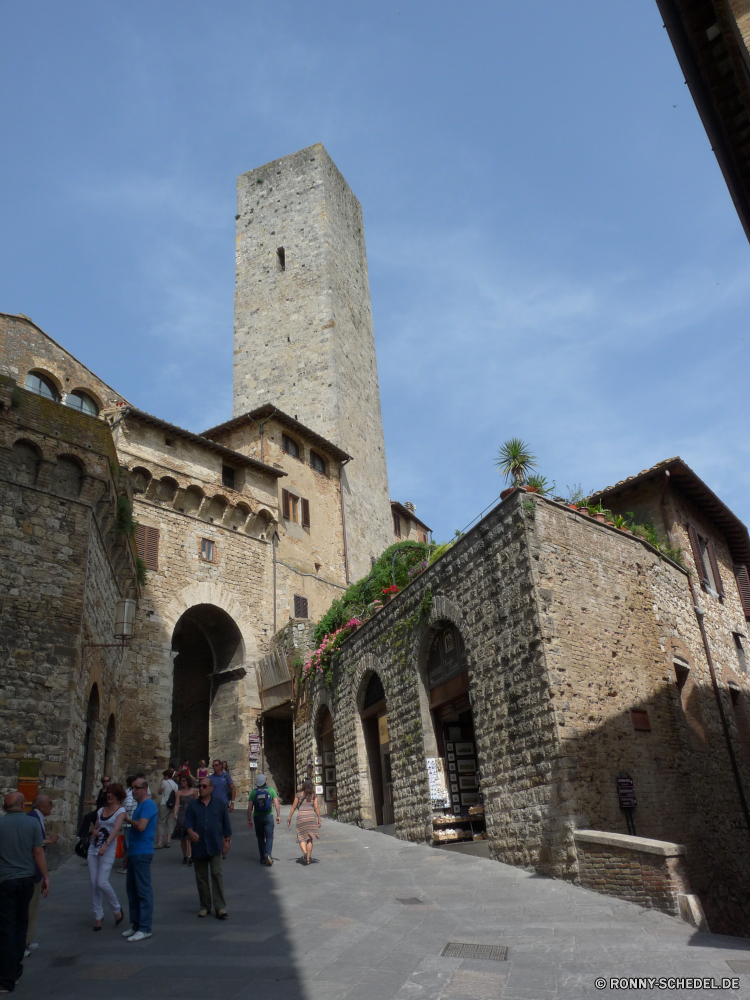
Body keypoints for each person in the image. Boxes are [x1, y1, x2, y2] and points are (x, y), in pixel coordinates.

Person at [0, 792, 49, 992]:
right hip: (26, 880)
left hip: (5, 881)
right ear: (22, 805)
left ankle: (6, 978)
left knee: (6, 928)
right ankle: (16, 970)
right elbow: (38, 851)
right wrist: (46, 876)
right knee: (21, 925)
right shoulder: (32, 824)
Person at [184, 777, 231, 919]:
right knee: (201, 877)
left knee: (216, 874)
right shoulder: (193, 806)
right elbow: (187, 823)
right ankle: (204, 906)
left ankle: (220, 907)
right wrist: (191, 833)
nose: (201, 788)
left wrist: (227, 840)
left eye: (204, 786)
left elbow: (226, 823)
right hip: (199, 846)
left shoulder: (220, 804)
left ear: (211, 788)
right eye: (200, 786)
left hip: (215, 844)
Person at [121, 777, 157, 943]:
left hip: (142, 851)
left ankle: (145, 927)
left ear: (144, 789)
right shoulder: (140, 806)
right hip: (135, 851)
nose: (133, 790)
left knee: (143, 890)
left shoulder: (148, 805)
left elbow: (141, 826)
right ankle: (136, 925)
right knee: (132, 890)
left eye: (136, 788)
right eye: (131, 787)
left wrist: (127, 819)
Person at [88, 782, 126, 931]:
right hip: (94, 848)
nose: (109, 795)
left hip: (108, 849)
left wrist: (106, 845)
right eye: (108, 792)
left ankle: (116, 909)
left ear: (118, 796)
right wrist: (94, 831)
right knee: (93, 883)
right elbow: (96, 826)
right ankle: (98, 915)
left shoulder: (120, 811)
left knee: (101, 882)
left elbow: (116, 829)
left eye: (112, 793)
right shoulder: (101, 810)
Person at [25, 794, 59, 954]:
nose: (52, 806)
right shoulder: (33, 819)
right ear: (41, 806)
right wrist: (49, 841)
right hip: (32, 870)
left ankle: (27, 940)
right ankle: (22, 943)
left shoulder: (35, 818)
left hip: (32, 870)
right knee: (29, 907)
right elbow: (35, 843)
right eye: (50, 803)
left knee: (32, 907)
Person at [247, 774, 280, 866]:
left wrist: (249, 819)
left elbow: (250, 807)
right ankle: (268, 854)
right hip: (268, 816)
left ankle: (262, 858)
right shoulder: (271, 790)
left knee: (260, 837)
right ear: (265, 782)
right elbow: (276, 803)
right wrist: (278, 815)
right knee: (269, 836)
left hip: (257, 817)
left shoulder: (254, 792)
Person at [287, 780, 321, 866]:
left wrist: (289, 818)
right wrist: (319, 819)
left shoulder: (298, 794)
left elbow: (294, 807)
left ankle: (305, 852)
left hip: (301, 817)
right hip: (311, 817)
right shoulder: (313, 795)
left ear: (304, 785)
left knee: (301, 837)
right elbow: (316, 807)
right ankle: (308, 859)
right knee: (310, 838)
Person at [174, 775, 198, 865]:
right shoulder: (179, 793)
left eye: (184, 780)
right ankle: (185, 855)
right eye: (181, 780)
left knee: (190, 836)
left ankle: (191, 856)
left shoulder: (194, 791)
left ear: (188, 781)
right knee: (183, 837)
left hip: (191, 814)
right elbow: (177, 804)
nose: (182, 782)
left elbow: (197, 803)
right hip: (182, 814)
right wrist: (175, 813)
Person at [117, 776, 137, 876]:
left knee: (128, 844)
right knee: (127, 843)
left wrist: (124, 812)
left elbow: (128, 805)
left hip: (128, 821)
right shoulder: (133, 792)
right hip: (131, 820)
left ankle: (128, 866)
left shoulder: (129, 792)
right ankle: (126, 865)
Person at [155, 769, 178, 849]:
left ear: (166, 776)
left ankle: (159, 842)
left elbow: (159, 792)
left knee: (161, 822)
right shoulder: (175, 785)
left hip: (164, 803)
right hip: (172, 805)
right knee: (169, 823)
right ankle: (168, 841)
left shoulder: (164, 782)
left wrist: (161, 783)